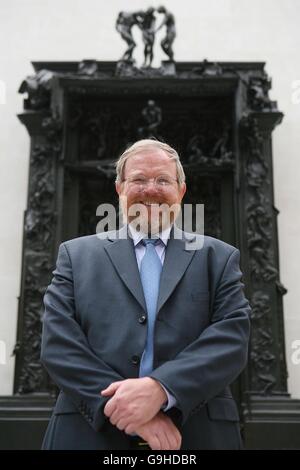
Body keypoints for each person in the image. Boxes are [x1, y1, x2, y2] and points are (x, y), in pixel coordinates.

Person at [40, 139, 251, 450]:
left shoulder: (218, 258)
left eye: (163, 180)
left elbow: (232, 339)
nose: (150, 189)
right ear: (120, 189)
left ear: (181, 191)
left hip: (197, 433)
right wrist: (128, 410)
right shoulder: (75, 255)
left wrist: (161, 390)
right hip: (88, 432)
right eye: (138, 179)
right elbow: (58, 344)